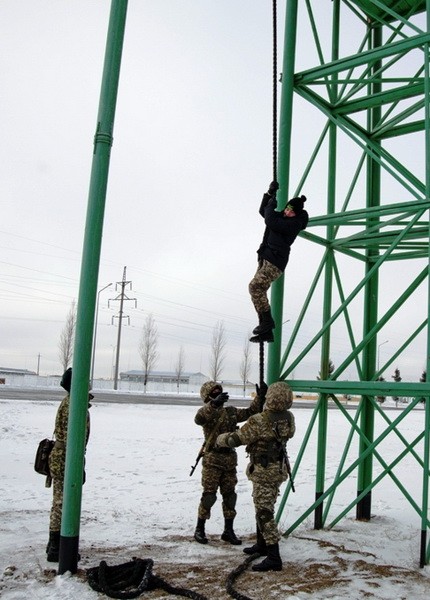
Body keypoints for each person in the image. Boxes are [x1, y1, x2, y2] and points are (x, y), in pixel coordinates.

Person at [216, 381, 295, 572]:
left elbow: (237, 439)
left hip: (263, 471)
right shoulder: (289, 417)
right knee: (262, 505)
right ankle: (262, 544)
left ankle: (274, 557)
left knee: (264, 512)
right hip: (277, 469)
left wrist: (220, 439)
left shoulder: (259, 420)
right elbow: (289, 433)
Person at [193, 380, 266, 546]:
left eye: (219, 391)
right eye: (214, 393)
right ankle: (199, 528)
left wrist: (260, 397)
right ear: (207, 397)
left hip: (229, 461)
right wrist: (213, 405)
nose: (218, 394)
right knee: (209, 496)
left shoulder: (231, 412)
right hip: (212, 460)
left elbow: (251, 412)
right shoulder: (207, 413)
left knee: (230, 496)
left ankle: (228, 530)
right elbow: (199, 419)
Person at [249, 181, 308, 343]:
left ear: (296, 214)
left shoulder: (294, 224)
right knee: (257, 292)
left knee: (255, 287)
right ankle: (266, 330)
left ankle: (267, 322)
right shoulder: (281, 217)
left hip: (275, 262)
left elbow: (270, 221)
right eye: (287, 209)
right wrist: (269, 194)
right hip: (265, 257)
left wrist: (271, 205)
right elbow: (263, 211)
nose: (287, 212)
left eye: (291, 211)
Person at [46, 367, 91, 562]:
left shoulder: (70, 401)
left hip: (63, 456)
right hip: (66, 457)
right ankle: (57, 548)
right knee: (62, 502)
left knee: (60, 501)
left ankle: (54, 544)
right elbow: (75, 436)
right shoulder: (74, 403)